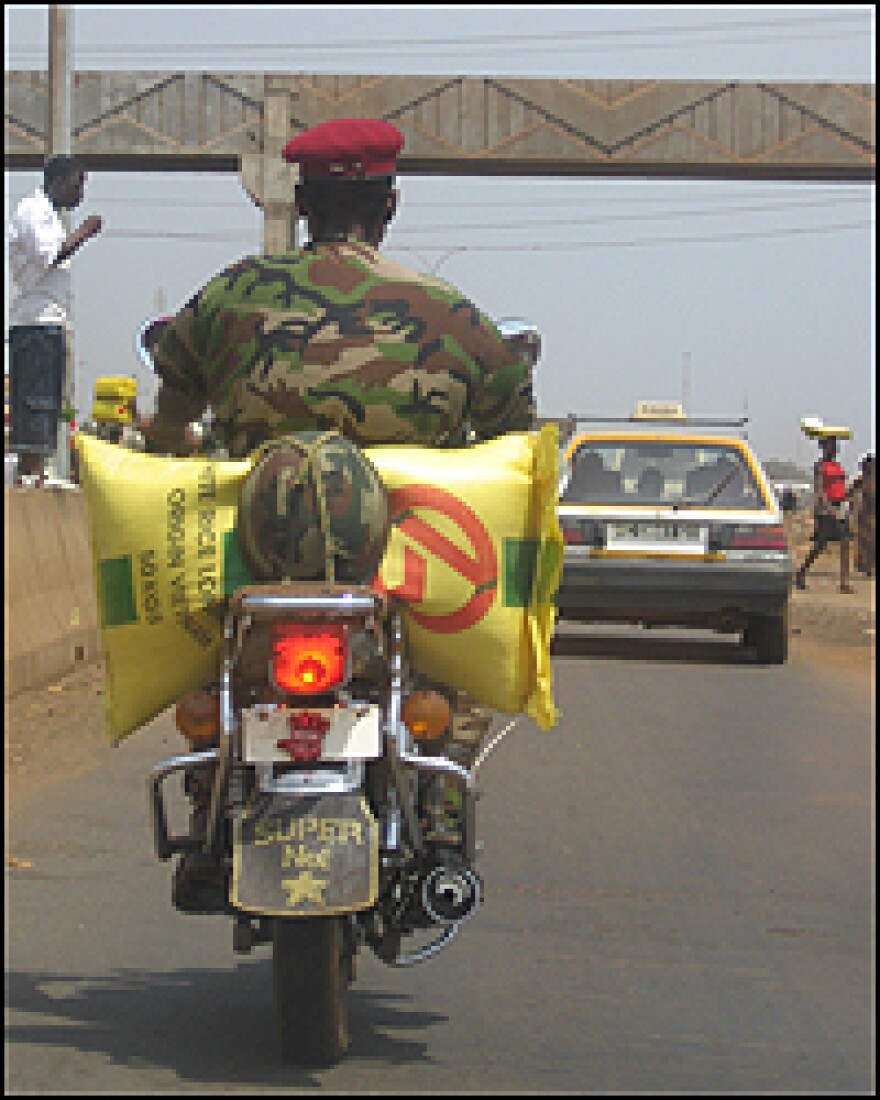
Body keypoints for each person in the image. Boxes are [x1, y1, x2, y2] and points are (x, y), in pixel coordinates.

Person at [140, 117, 534, 459]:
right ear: (391, 206)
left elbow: (170, 423)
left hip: (254, 537)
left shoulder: (228, 294)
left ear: (301, 204)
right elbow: (513, 445)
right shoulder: (456, 318)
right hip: (416, 542)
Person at [7, 155, 102, 480]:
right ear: (58, 182)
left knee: (47, 402)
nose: (80, 195)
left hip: (50, 320)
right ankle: (31, 472)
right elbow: (49, 255)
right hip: (36, 320)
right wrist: (85, 232)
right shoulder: (33, 210)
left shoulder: (49, 214)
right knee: (36, 401)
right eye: (77, 186)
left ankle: (35, 471)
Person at [794, 435, 853, 593]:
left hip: (840, 505)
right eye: (831, 445)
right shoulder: (820, 466)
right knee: (820, 544)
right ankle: (801, 573)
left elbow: (841, 487)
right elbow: (819, 490)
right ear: (824, 447)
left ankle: (844, 582)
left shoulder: (837, 465)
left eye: (835, 445)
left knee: (845, 541)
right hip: (825, 508)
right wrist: (829, 509)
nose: (835, 448)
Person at [851, 451, 875, 577]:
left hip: (870, 514)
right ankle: (866, 566)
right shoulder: (861, 480)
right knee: (865, 542)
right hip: (865, 514)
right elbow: (851, 493)